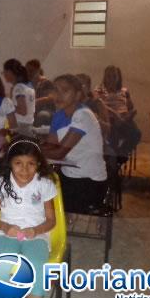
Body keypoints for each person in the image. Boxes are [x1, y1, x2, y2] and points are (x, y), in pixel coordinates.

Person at [0, 137, 57, 298]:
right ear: (10, 163)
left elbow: (51, 220)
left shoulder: (45, 184)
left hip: (36, 236)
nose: (24, 169)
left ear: (38, 164)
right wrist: (5, 226)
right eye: (18, 163)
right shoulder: (0, 183)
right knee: (1, 268)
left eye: (31, 164)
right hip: (6, 234)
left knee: (37, 267)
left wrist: (36, 230)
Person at [41, 74, 107, 213]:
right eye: (55, 90)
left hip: (89, 182)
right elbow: (50, 146)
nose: (58, 95)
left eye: (65, 91)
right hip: (68, 176)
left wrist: (32, 148)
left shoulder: (83, 115)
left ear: (77, 95)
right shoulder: (59, 115)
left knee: (44, 204)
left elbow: (59, 153)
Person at [94, 65, 141, 160]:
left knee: (136, 133)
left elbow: (130, 107)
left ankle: (120, 155)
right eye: (108, 76)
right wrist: (115, 115)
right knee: (113, 135)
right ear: (104, 77)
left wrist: (130, 113)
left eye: (114, 76)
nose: (111, 79)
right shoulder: (99, 90)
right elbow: (98, 105)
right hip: (109, 118)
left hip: (124, 119)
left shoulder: (124, 91)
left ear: (118, 77)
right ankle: (112, 161)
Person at [3, 59, 35, 136]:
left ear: (10, 72)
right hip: (28, 125)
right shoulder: (29, 86)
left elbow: (23, 111)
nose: (4, 75)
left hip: (19, 127)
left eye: (4, 72)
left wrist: (7, 105)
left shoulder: (18, 88)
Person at [26, 59, 55, 126]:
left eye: (31, 71)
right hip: (31, 111)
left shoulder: (46, 83)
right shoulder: (27, 84)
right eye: (27, 71)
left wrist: (34, 102)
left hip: (45, 110)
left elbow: (50, 98)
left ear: (38, 70)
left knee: (43, 115)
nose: (28, 73)